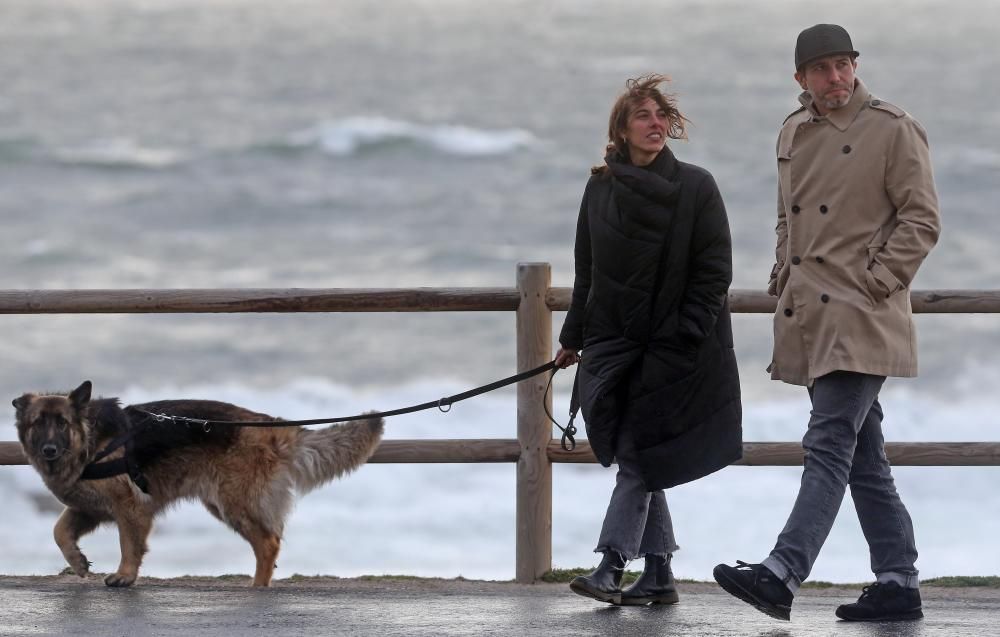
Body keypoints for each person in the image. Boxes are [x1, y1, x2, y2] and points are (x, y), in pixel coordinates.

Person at [713, 24, 941, 622]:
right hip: (811, 314)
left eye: (843, 65)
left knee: (828, 441)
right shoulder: (792, 130)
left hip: (862, 316)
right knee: (865, 458)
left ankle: (782, 573)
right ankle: (898, 582)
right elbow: (788, 217)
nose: (835, 78)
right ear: (801, 79)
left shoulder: (893, 128)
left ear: (855, 66)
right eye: (821, 69)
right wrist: (782, 274)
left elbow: (921, 219)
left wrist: (876, 282)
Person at [555, 74, 742, 606]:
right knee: (640, 451)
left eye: (662, 116)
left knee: (638, 454)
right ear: (622, 128)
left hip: (675, 347)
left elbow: (714, 272)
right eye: (644, 115)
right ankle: (658, 572)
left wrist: (685, 334)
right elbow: (586, 272)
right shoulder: (599, 189)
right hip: (614, 342)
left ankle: (611, 564)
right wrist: (573, 338)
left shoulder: (697, 187)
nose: (656, 123)